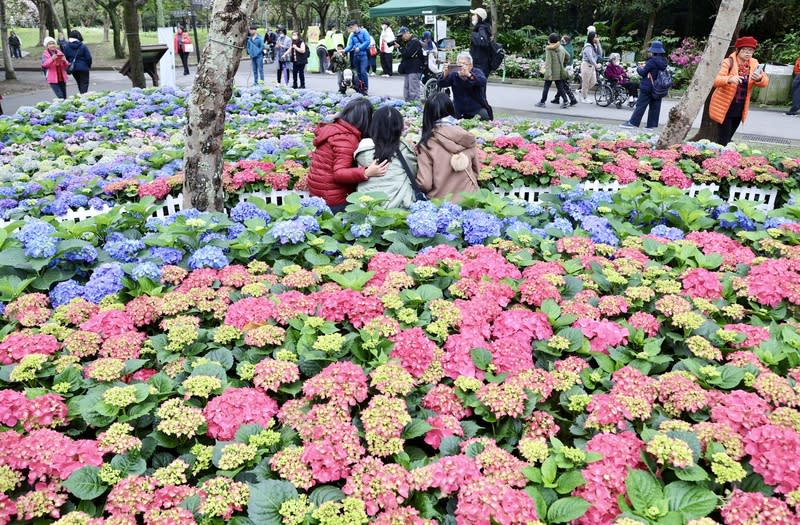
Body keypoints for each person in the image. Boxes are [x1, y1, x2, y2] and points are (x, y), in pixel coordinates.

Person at [307, 98, 388, 211]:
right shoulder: (346, 138)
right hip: (333, 200)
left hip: (318, 192)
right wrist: (366, 172)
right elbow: (339, 173)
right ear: (365, 119)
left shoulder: (333, 129)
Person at [416, 93, 480, 202]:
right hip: (470, 200)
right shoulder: (466, 137)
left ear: (427, 115)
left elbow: (425, 183)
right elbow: (476, 172)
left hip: (441, 204)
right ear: (451, 110)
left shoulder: (426, 144)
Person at [708, 36, 769, 144]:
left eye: (750, 51)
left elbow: (765, 82)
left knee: (728, 137)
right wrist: (729, 79)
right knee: (723, 140)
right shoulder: (728, 62)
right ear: (738, 50)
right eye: (744, 50)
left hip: (740, 107)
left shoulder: (754, 63)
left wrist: (759, 78)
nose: (747, 53)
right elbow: (715, 81)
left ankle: (721, 158)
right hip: (725, 106)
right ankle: (717, 159)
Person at [355, 106, 417, 209]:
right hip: (399, 207)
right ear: (399, 128)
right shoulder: (404, 149)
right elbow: (413, 173)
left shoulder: (363, 149)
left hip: (367, 207)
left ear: (374, 126)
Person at [621, 40, 669, 129]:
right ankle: (652, 125)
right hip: (659, 88)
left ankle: (633, 123)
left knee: (641, 105)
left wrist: (639, 68)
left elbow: (643, 73)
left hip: (648, 87)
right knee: (655, 107)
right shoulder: (664, 61)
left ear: (653, 51)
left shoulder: (652, 61)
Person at [438, 52, 490, 120]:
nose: (461, 66)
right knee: (446, 118)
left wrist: (469, 75)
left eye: (464, 64)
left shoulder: (477, 72)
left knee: (485, 116)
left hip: (476, 109)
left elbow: (482, 81)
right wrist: (445, 74)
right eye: (459, 64)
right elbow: (440, 84)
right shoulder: (454, 74)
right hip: (458, 109)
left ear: (471, 66)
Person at [536, 33, 574, 109]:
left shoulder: (549, 49)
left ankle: (542, 102)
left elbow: (548, 62)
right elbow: (568, 56)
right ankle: (566, 101)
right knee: (560, 87)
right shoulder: (561, 47)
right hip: (559, 71)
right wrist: (563, 64)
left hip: (551, 71)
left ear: (549, 40)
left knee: (546, 86)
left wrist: (549, 74)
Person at [343, 20, 372, 95]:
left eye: (351, 27)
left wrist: (360, 47)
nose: (349, 30)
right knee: (358, 73)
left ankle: (365, 88)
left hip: (363, 55)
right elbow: (350, 45)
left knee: (363, 71)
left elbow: (367, 41)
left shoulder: (364, 32)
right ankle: (360, 88)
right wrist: (344, 50)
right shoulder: (352, 35)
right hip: (356, 56)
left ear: (355, 25)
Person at [397, 26, 423, 102]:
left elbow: (407, 54)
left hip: (414, 69)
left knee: (413, 91)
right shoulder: (408, 42)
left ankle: (417, 109)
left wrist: (400, 47)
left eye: (402, 35)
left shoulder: (415, 41)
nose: (402, 37)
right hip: (408, 69)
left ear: (407, 33)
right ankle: (408, 107)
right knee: (406, 90)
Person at [62, 30, 92, 94]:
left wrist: (68, 65)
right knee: (84, 83)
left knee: (79, 83)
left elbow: (65, 58)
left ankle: (82, 95)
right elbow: (88, 58)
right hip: (83, 67)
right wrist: (88, 66)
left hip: (73, 68)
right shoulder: (83, 46)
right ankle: (83, 97)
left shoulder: (66, 46)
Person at [469, 7, 492, 76]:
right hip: (480, 63)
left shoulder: (482, 28)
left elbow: (483, 42)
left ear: (479, 17)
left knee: (478, 84)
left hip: (480, 64)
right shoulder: (481, 28)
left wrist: (474, 35)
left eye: (474, 15)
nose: (472, 17)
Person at [552, 35, 574, 105]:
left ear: (566, 41)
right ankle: (557, 98)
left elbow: (567, 57)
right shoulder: (568, 46)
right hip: (567, 67)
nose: (561, 41)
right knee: (562, 84)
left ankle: (572, 99)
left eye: (562, 40)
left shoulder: (566, 47)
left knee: (563, 84)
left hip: (566, 67)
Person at [580, 31, 600, 103]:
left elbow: (599, 53)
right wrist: (596, 65)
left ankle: (581, 92)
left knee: (593, 82)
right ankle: (584, 97)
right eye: (595, 37)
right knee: (586, 83)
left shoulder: (594, 45)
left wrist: (598, 44)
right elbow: (590, 57)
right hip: (586, 65)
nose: (596, 38)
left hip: (592, 66)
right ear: (592, 37)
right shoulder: (588, 46)